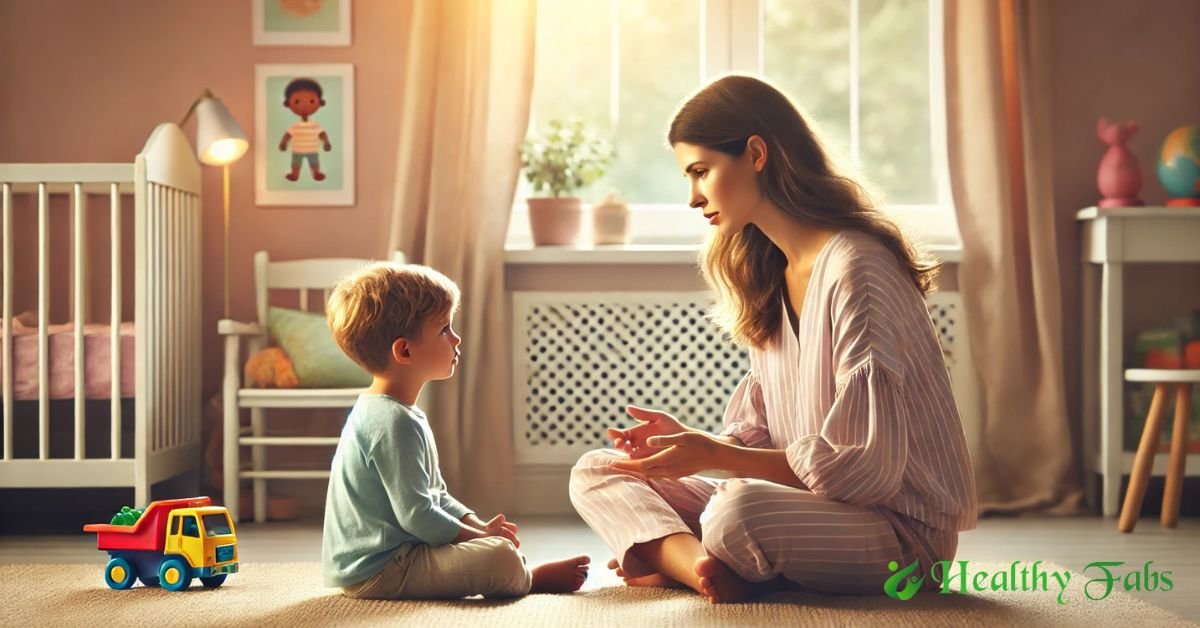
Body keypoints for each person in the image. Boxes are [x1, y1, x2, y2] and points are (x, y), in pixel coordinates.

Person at [569, 75, 977, 604]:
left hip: (899, 537)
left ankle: (676, 557)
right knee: (599, 470)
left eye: (700, 172)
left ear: (756, 153)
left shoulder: (859, 269)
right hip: (808, 506)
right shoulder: (772, 273)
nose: (693, 198)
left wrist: (716, 455)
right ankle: (702, 570)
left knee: (736, 511)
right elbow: (763, 435)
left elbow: (865, 471)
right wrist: (691, 445)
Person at [322, 262, 590, 599]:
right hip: (382, 571)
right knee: (500, 558)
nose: (456, 338)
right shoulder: (394, 422)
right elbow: (418, 516)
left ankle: (513, 568)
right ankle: (529, 579)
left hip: (393, 558)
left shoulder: (391, 411)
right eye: (444, 330)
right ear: (404, 350)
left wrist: (477, 524)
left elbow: (434, 495)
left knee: (493, 546)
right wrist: (481, 541)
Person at [279, 78, 332, 182]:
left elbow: (322, 134)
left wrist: (326, 142)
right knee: (295, 164)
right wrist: (283, 143)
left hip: (312, 150)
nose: (304, 106)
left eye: (311, 101)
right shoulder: (295, 126)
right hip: (297, 150)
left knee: (314, 164)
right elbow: (288, 135)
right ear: (288, 103)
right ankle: (295, 175)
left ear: (320, 102)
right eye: (297, 101)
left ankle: (316, 173)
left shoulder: (315, 126)